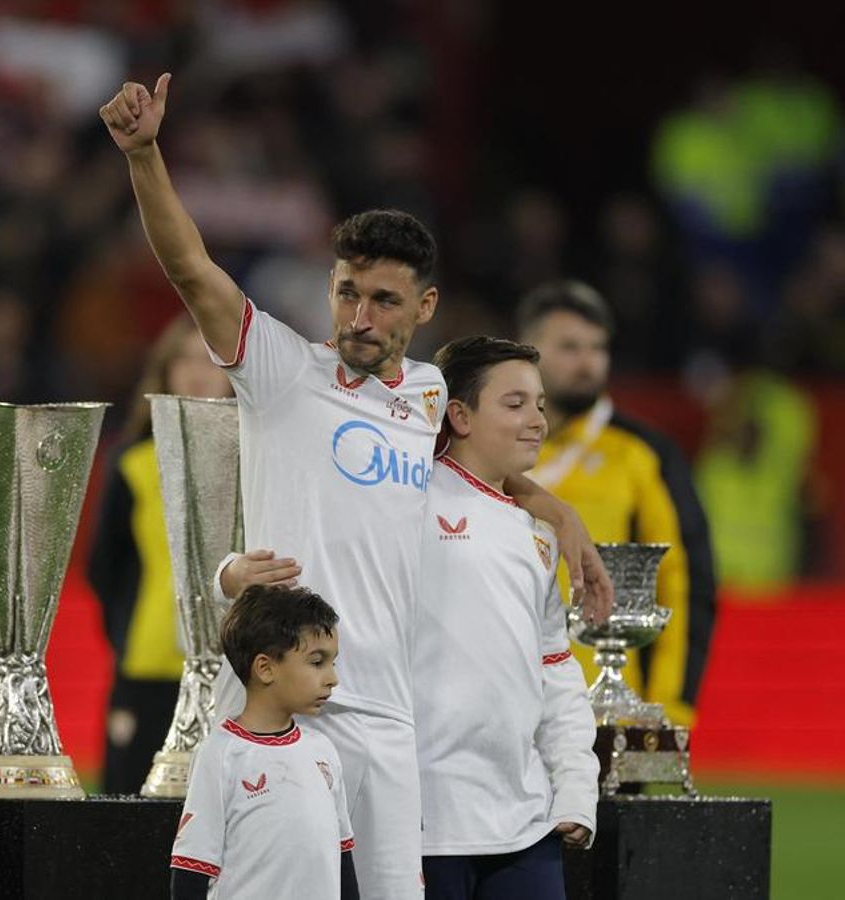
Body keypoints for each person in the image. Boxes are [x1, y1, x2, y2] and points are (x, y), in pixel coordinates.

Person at [101, 74, 612, 898]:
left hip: (382, 710)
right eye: (347, 293)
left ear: (425, 306)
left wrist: (554, 509)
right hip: (276, 699)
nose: (360, 318)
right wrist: (144, 155)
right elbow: (192, 270)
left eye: (383, 300)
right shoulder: (281, 371)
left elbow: (480, 474)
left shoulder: (431, 395)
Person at [415, 336, 598, 899]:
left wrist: (576, 787)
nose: (537, 420)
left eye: (539, 404)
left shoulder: (538, 534)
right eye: (515, 404)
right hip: (423, 822)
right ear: (460, 415)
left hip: (525, 823)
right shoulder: (406, 501)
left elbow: (556, 670)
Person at [517, 281, 716, 726]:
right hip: (505, 696)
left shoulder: (642, 452)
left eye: (598, 348)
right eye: (570, 347)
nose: (588, 363)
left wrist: (671, 705)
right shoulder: (492, 444)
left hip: (608, 708)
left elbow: (682, 578)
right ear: (528, 351)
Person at [88, 315, 234, 795]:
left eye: (209, 361)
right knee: (130, 807)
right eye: (183, 360)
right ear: (164, 371)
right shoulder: (133, 462)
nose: (196, 373)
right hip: (148, 665)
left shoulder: (256, 458)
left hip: (233, 671)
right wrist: (125, 632)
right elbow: (104, 565)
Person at [171, 585, 356, 900]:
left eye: (332, 663)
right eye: (317, 662)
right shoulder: (221, 754)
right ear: (265, 668)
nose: (332, 679)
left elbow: (343, 860)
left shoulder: (322, 750)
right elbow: (192, 870)